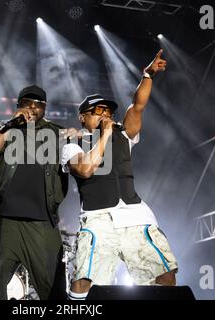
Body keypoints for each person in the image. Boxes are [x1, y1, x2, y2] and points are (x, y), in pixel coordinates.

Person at [61, 50, 178, 300]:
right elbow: (85, 169)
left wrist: (147, 75)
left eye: (108, 112)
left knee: (164, 277)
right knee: (83, 282)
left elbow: (138, 106)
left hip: (135, 215)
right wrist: (103, 135)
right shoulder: (71, 146)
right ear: (83, 117)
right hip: (97, 219)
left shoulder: (124, 136)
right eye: (98, 111)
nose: (106, 115)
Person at [0, 85, 69, 300]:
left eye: (38, 104)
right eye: (27, 103)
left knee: (54, 289)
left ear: (44, 108)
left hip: (42, 222)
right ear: (18, 106)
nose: (32, 108)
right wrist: (10, 125)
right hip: (7, 221)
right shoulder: (0, 127)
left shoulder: (57, 133)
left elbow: (84, 161)